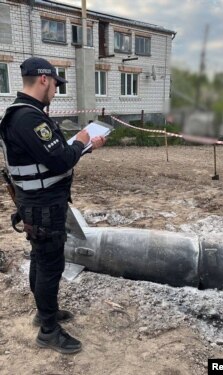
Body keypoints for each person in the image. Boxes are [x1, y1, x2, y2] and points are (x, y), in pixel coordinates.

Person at [0, 57, 105, 354]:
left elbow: (51, 160)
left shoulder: (22, 114)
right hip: (43, 206)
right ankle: (48, 330)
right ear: (44, 80)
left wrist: (82, 147)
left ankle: (44, 314)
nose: (56, 91)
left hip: (37, 203)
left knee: (41, 259)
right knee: (49, 265)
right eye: (56, 85)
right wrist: (82, 140)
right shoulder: (29, 118)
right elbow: (60, 159)